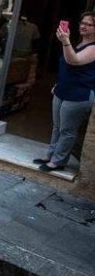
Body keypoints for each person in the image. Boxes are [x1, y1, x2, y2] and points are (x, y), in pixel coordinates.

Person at [34, 13, 95, 172]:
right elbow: (68, 67)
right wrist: (58, 83)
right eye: (82, 22)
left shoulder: (93, 48)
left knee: (67, 130)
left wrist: (65, 41)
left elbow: (74, 61)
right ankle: (51, 155)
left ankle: (58, 161)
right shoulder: (77, 44)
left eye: (89, 24)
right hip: (63, 89)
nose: (83, 26)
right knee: (57, 126)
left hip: (79, 94)